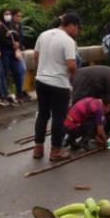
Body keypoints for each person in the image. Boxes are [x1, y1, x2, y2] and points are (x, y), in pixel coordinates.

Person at [33, 12, 80, 161]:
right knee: (58, 118)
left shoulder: (44, 34)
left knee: (43, 114)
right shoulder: (68, 41)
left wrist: (43, 68)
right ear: (71, 25)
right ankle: (55, 151)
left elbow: (35, 56)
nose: (77, 31)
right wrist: (72, 75)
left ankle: (38, 148)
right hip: (59, 83)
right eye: (77, 27)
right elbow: (72, 64)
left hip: (41, 80)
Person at [0, 8, 26, 104]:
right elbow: (0, 39)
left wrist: (18, 44)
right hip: (4, 52)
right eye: (6, 14)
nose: (8, 16)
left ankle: (19, 93)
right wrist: (12, 44)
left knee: (19, 71)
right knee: (4, 74)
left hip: (13, 52)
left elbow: (18, 37)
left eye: (9, 14)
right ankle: (5, 95)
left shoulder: (13, 25)